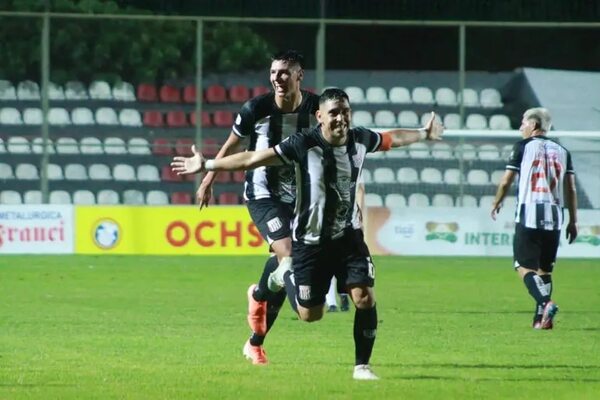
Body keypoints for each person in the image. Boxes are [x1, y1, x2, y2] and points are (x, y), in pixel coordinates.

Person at [171, 88, 444, 379]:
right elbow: (252, 159)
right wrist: (208, 165)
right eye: (334, 112)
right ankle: (282, 273)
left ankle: (362, 366)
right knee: (310, 314)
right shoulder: (302, 145)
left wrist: (423, 134)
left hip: (348, 237)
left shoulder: (361, 139)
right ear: (319, 117)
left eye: (345, 111)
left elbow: (393, 138)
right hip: (310, 243)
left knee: (364, 297)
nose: (341, 118)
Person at [195, 50, 320, 365]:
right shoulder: (255, 108)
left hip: (300, 196)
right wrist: (209, 178)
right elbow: (233, 144)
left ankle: (255, 340)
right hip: (262, 193)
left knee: (279, 265)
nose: (278, 78)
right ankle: (303, 302)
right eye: (274, 72)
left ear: (299, 76)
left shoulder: (316, 109)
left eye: (285, 72)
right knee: (289, 254)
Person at [490, 107, 578, 330]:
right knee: (544, 270)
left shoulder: (522, 147)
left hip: (529, 213)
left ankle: (545, 303)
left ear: (535, 126)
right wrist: (573, 220)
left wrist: (497, 201)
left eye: (523, 123)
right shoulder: (563, 151)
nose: (521, 127)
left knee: (522, 265)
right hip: (556, 216)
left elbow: (505, 181)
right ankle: (541, 320)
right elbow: (571, 190)